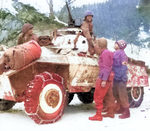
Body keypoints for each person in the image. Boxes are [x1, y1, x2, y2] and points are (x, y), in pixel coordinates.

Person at [89, 38, 116, 121]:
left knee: (98, 95)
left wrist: (103, 80)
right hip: (109, 77)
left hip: (104, 77)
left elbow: (106, 67)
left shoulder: (104, 54)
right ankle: (111, 112)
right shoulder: (109, 52)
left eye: (97, 43)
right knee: (109, 95)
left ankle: (98, 115)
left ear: (100, 45)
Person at [112, 40, 130, 119]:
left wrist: (119, 76)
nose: (114, 44)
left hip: (121, 78)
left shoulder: (123, 55)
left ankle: (127, 112)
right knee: (116, 93)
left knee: (122, 94)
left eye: (116, 44)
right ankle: (121, 108)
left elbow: (124, 66)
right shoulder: (115, 53)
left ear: (120, 46)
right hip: (115, 77)